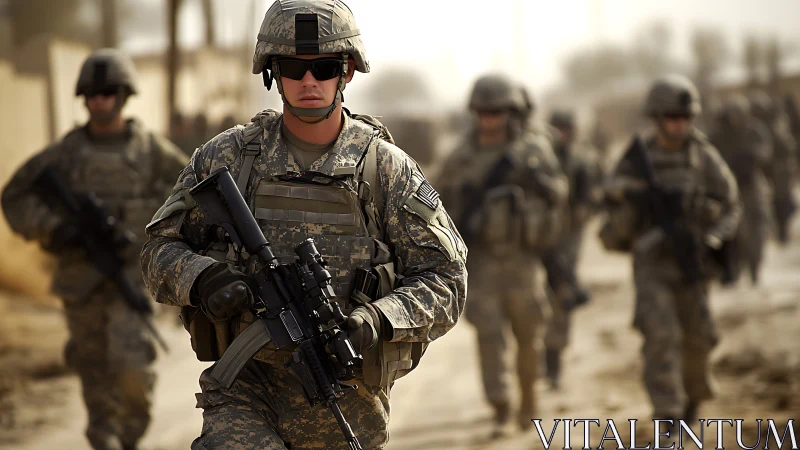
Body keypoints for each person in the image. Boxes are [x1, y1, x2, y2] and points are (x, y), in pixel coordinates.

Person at [139, 1, 467, 449]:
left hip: (346, 399)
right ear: (272, 71)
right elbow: (158, 248)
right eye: (294, 67)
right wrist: (201, 278)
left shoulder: (384, 169)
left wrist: (378, 317)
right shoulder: (228, 159)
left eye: (324, 67)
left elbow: (447, 278)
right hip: (246, 388)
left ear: (347, 72)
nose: (308, 80)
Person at [1, 48, 187, 450]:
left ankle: (131, 433)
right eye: (92, 93)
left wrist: (167, 239)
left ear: (123, 96)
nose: (99, 100)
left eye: (107, 92)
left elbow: (193, 194)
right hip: (81, 280)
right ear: (83, 98)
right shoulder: (66, 153)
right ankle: (104, 439)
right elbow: (15, 195)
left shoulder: (150, 150)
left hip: (131, 277)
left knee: (133, 368)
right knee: (93, 368)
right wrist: (54, 228)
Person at [599, 74, 741, 425]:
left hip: (692, 261)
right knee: (661, 336)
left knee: (699, 339)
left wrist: (714, 238)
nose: (679, 125)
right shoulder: (638, 157)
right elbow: (609, 190)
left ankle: (693, 399)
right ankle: (667, 413)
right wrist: (635, 193)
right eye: (671, 118)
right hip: (651, 264)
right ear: (657, 118)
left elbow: (732, 206)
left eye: (684, 118)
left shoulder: (704, 157)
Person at [438, 74, 567, 438]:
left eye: (497, 111)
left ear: (510, 113)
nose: (490, 119)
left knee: (529, 336)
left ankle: (529, 400)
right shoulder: (460, 157)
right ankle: (501, 407)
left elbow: (559, 192)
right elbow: (436, 204)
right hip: (482, 262)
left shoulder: (531, 151)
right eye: (484, 111)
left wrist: (537, 190)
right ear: (475, 113)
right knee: (490, 337)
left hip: (524, 260)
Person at [542, 108, 603, 389]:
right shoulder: (540, 157)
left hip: (568, 240)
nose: (561, 135)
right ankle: (540, 357)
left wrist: (589, 202)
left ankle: (553, 358)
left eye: (565, 129)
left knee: (562, 297)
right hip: (541, 240)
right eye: (557, 129)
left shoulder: (584, 160)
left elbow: (600, 195)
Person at [709, 95, 773, 284]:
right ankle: (734, 270)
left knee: (758, 229)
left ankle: (755, 267)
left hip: (753, 186)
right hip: (730, 188)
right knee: (735, 233)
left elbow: (765, 153)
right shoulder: (720, 134)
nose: (735, 118)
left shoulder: (755, 131)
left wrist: (750, 159)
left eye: (739, 114)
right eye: (732, 115)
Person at [748, 90, 797, 244]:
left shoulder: (775, 127)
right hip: (766, 171)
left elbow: (787, 147)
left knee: (783, 202)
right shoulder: (755, 129)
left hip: (778, 171)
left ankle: (782, 230)